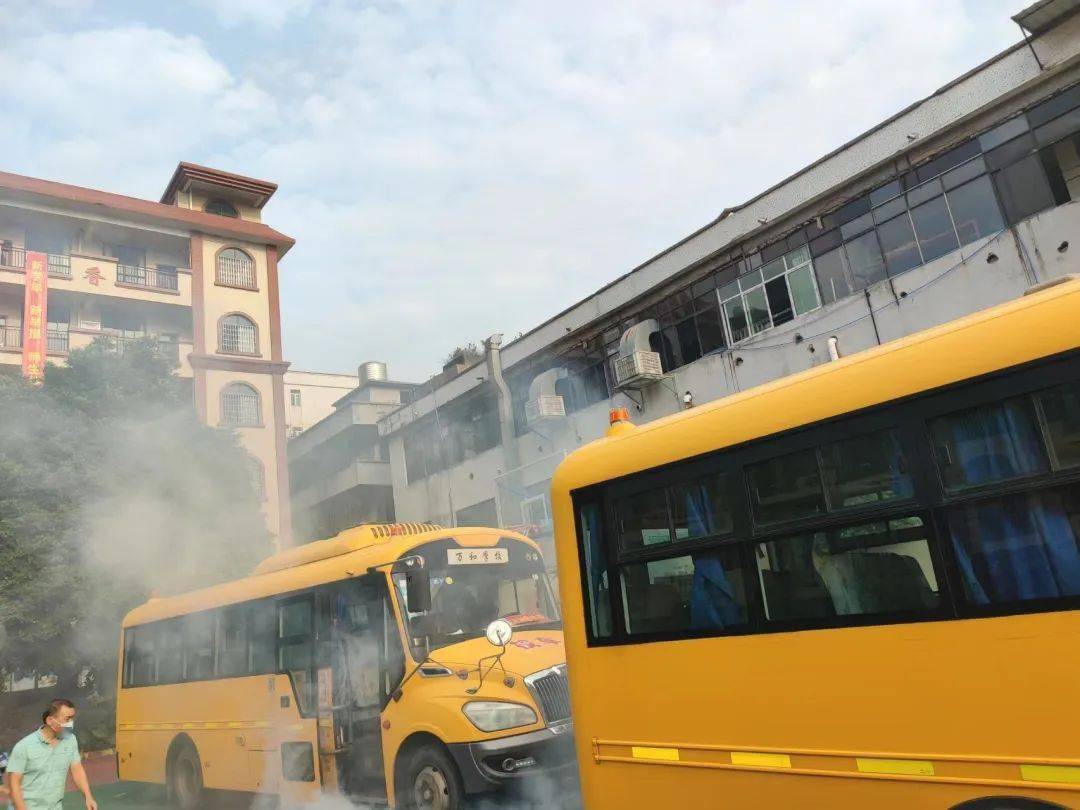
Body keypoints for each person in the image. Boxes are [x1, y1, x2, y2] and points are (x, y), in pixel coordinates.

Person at [6, 698, 97, 810]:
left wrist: (88, 797)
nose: (71, 723)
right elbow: (14, 783)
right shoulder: (24, 746)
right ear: (50, 720)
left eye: (72, 718)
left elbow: (77, 769)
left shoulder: (71, 740)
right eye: (67, 719)